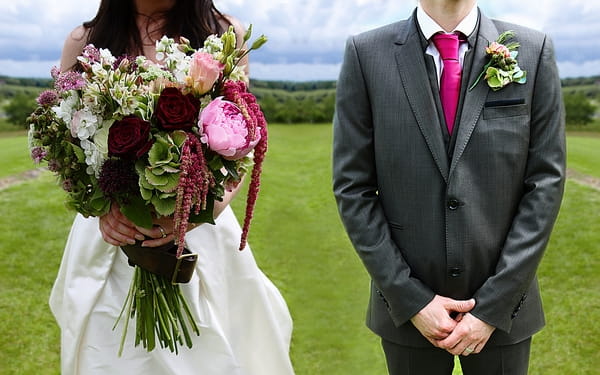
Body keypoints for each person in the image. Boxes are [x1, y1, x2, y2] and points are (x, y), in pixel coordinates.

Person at [49, 1, 295, 374]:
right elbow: (64, 149)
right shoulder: (83, 41)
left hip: (201, 230)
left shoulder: (224, 31)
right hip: (112, 238)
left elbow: (242, 138)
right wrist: (103, 212)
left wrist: (199, 214)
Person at [332, 0, 565, 374]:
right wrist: (411, 300)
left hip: (506, 313)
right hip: (407, 314)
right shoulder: (365, 54)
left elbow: (546, 183)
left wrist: (493, 306)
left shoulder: (533, 50)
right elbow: (352, 187)